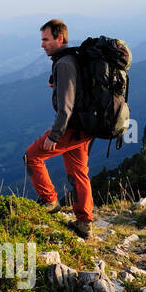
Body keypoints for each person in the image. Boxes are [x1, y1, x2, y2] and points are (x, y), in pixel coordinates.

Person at [25, 19, 94, 239]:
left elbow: (66, 107)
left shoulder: (64, 63)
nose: (42, 45)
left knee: (32, 156)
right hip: (85, 128)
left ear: (60, 38)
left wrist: (55, 135)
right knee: (79, 174)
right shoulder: (73, 58)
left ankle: (49, 201)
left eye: (46, 39)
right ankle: (84, 223)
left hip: (71, 129)